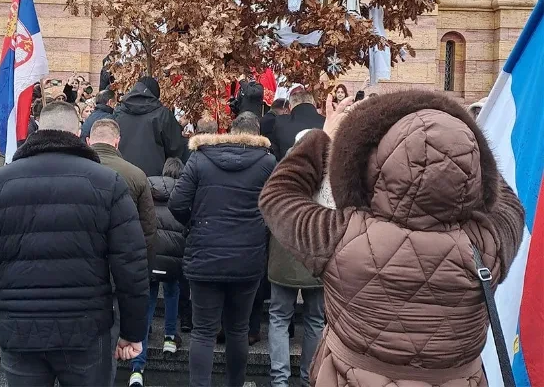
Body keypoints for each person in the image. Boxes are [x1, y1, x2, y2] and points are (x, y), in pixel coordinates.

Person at [259, 91, 525, 386]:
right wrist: (461, 147)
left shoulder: (340, 237)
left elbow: (278, 194)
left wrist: (325, 138)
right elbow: (508, 205)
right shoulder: (489, 245)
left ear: (378, 165)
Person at [0, 101, 149, 387]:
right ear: (78, 133)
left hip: (19, 330)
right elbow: (130, 265)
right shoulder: (107, 183)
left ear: (38, 129)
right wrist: (132, 332)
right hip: (86, 329)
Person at [169, 113, 276, 387]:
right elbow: (276, 208)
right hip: (247, 257)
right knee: (238, 329)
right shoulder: (267, 162)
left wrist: (196, 224)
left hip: (205, 254)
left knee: (203, 332)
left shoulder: (201, 158)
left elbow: (177, 203)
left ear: (231, 131)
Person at [86, 119, 157, 385]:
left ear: (89, 141)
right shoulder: (136, 175)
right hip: (121, 272)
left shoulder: (80, 170)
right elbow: (148, 233)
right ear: (117, 142)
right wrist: (144, 273)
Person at [265, 130, 328, 387]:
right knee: (315, 319)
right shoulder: (329, 176)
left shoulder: (281, 171)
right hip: (317, 254)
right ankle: (308, 378)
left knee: (279, 317)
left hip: (284, 252)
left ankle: (279, 381)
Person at [128, 157, 185, 387]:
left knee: (147, 305)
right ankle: (170, 338)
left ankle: (137, 368)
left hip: (149, 257)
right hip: (173, 260)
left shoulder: (147, 188)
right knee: (172, 293)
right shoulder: (183, 193)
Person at [114, 77, 184, 177]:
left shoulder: (119, 112)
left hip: (123, 175)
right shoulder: (162, 114)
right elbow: (175, 147)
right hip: (154, 178)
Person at [270, 89, 324, 161]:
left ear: (290, 106)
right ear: (314, 104)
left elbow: (274, 152)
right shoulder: (326, 122)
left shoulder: (280, 122)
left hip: (288, 168)